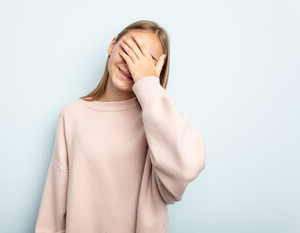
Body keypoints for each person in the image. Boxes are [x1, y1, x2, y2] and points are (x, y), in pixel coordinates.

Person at [34, 20, 206, 233]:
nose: (131, 64)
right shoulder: (72, 115)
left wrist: (149, 85)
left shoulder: (160, 122)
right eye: (128, 50)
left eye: (145, 61)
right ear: (112, 45)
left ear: (156, 71)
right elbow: (53, 211)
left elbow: (181, 176)